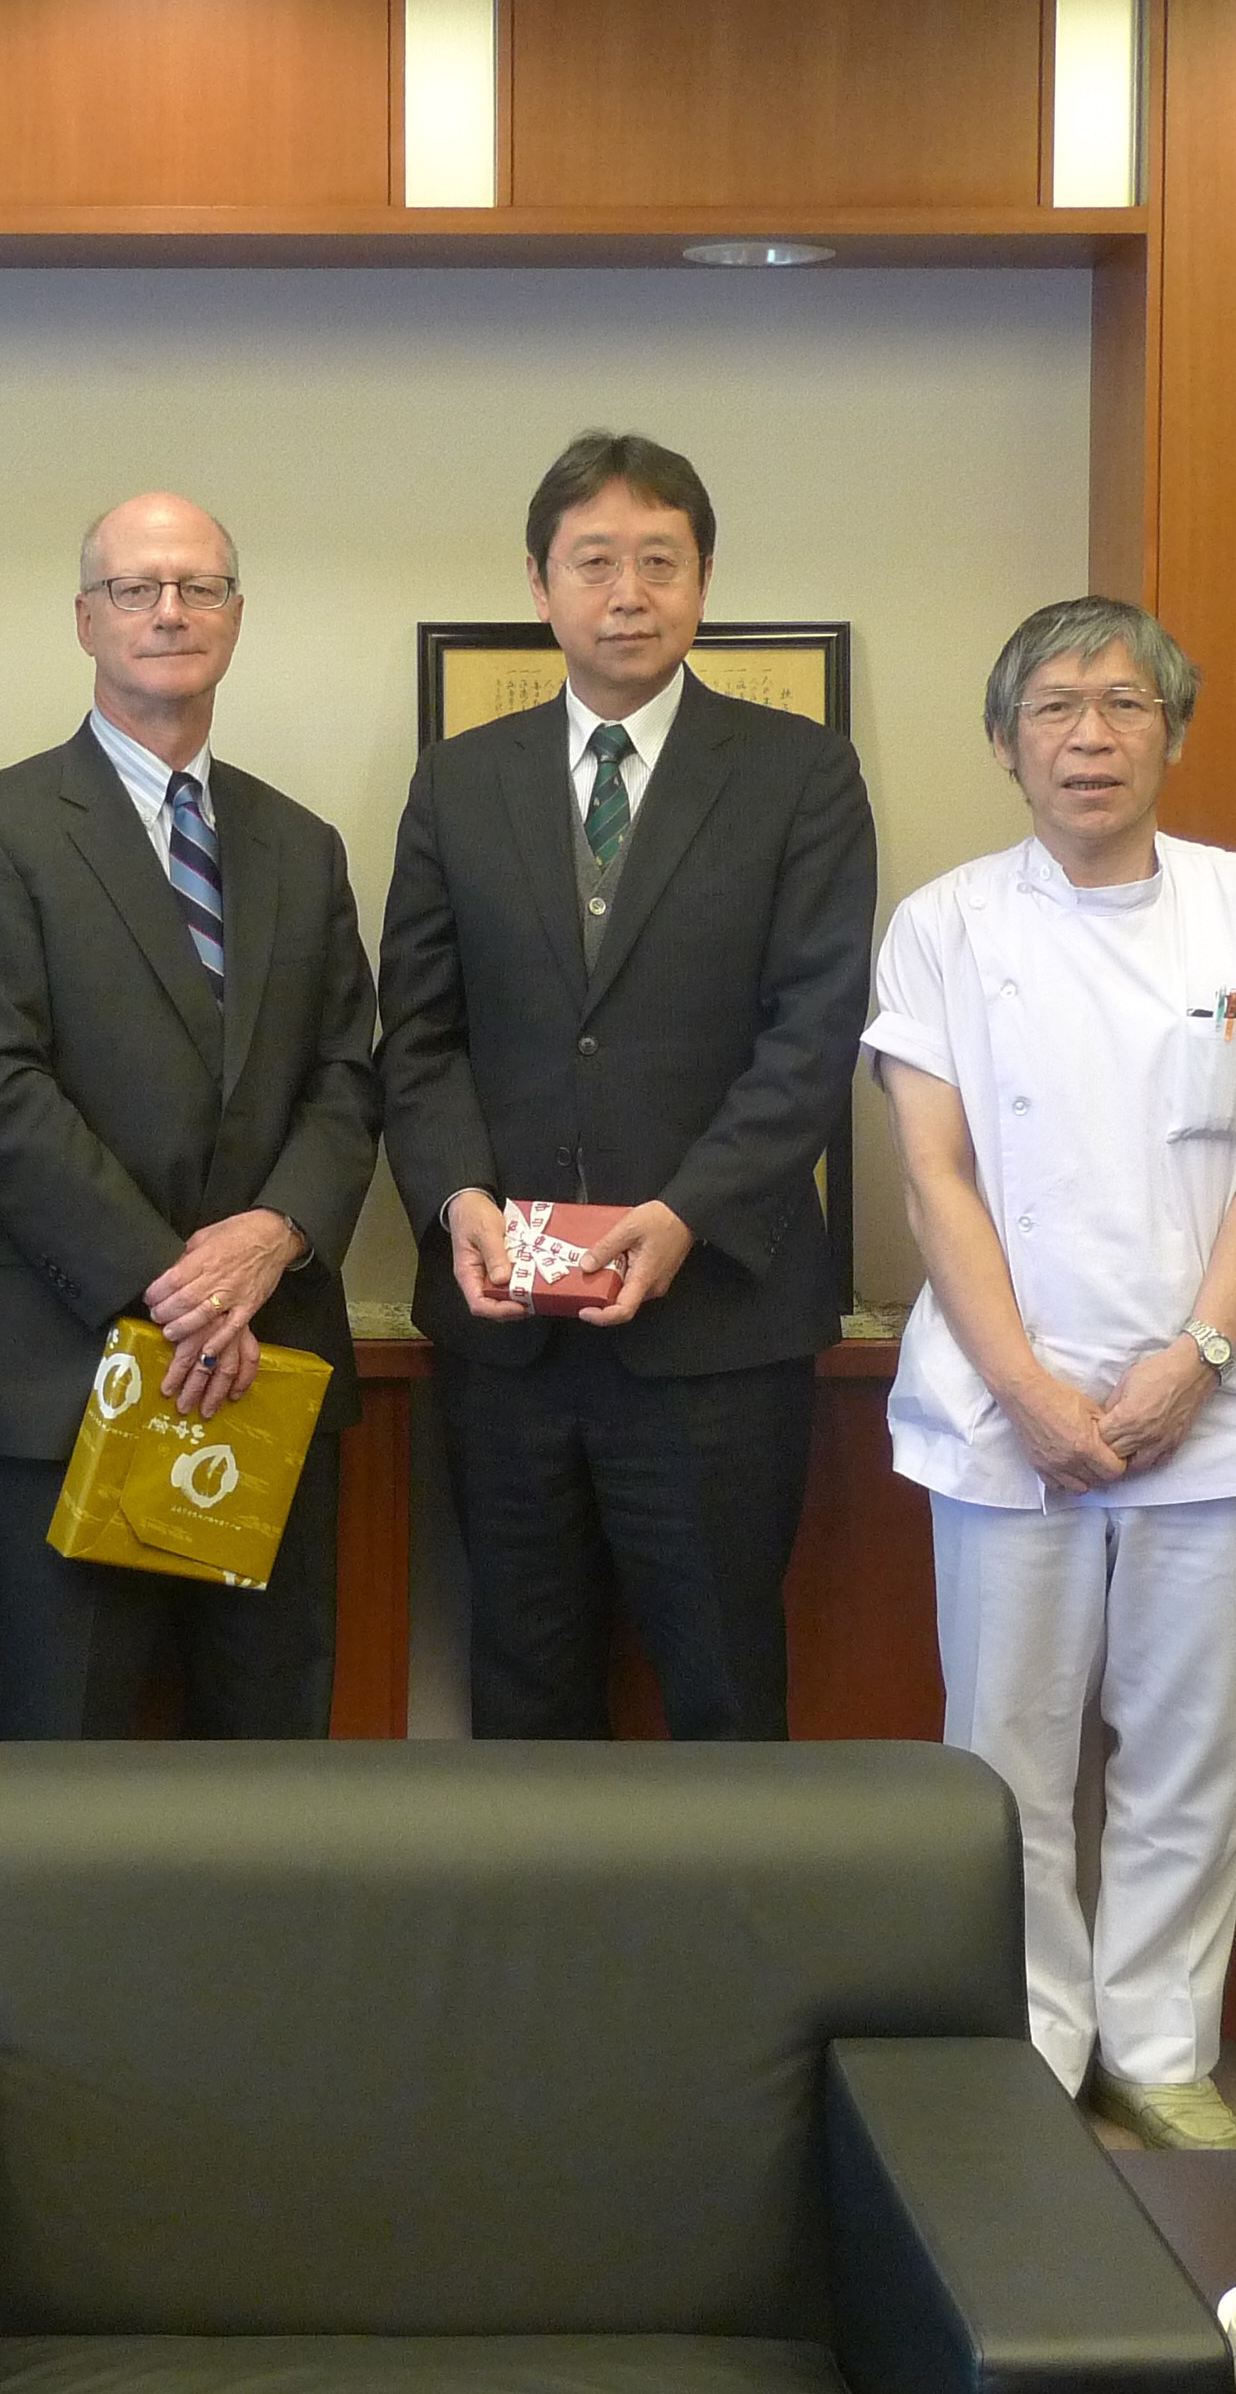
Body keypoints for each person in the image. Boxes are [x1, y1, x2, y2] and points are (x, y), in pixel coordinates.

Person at [867, 596, 1236, 2149]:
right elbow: (936, 1173)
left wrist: (1194, 1363)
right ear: (1005, 743)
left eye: (1125, 705)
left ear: (1173, 732)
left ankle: (1159, 2046)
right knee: (1004, 1754)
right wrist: (1027, 1390)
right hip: (1005, 1405)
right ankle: (1029, 2040)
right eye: (1056, 709)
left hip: (1217, 1400)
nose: (1091, 736)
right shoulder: (945, 923)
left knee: (1186, 1751)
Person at [377, 431, 874, 1740]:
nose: (627, 593)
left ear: (703, 582)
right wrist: (458, 1201)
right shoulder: (459, 781)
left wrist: (686, 1212)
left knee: (723, 1695)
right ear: (538, 585)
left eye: (660, 561)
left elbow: (812, 1037)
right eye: (593, 561)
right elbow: (416, 1035)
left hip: (718, 1331)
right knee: (522, 1694)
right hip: (506, 1333)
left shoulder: (799, 775)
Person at [0, 493, 381, 1737]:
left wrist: (274, 1236)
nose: (169, 612)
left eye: (198, 587)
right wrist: (180, 1291)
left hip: (271, 1371)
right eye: (135, 589)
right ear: (86, 619)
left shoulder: (301, 846)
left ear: (235, 614)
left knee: (269, 1760)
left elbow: (347, 1077)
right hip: (69, 1376)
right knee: (68, 1770)